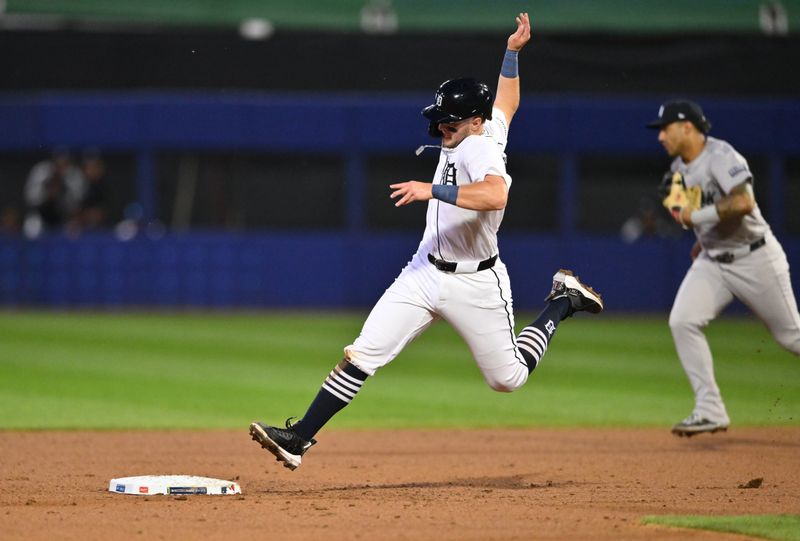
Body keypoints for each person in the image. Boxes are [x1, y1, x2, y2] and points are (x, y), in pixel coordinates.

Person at [250, 13, 603, 470]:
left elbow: (497, 193)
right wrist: (512, 53)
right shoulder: (483, 127)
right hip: (423, 270)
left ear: (472, 123)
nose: (441, 130)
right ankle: (298, 438)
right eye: (440, 122)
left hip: (477, 281)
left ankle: (562, 302)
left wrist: (430, 189)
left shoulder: (481, 147)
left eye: (449, 124)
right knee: (363, 351)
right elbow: (507, 105)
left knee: (508, 378)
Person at [647, 99, 800, 437]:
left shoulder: (720, 156)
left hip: (756, 258)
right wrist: (701, 232)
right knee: (683, 321)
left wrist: (695, 218)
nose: (660, 137)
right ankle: (710, 409)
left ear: (688, 127)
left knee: (793, 337)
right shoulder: (676, 171)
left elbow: (743, 202)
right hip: (714, 259)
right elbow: (680, 213)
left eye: (665, 129)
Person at [23, 149, 86, 238]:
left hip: (65, 217)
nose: (61, 166)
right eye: (58, 163)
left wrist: (60, 196)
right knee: (31, 228)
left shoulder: (73, 176)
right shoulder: (42, 172)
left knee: (74, 230)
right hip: (41, 215)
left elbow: (76, 205)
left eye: (64, 163)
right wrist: (46, 195)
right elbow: (30, 199)